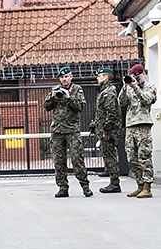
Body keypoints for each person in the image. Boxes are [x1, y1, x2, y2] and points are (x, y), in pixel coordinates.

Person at [43, 66, 91, 198]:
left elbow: (80, 107)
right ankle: (62, 187)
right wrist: (52, 97)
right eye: (62, 77)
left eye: (66, 76)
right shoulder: (54, 89)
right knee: (59, 160)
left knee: (77, 159)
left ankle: (85, 186)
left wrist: (69, 97)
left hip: (72, 130)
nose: (64, 79)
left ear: (71, 77)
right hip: (57, 130)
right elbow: (46, 107)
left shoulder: (77, 89)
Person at [118, 63, 156, 198]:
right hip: (130, 125)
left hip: (143, 125)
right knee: (132, 158)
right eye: (134, 75)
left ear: (143, 74)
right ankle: (139, 185)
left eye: (138, 74)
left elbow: (148, 100)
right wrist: (124, 87)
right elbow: (121, 102)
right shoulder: (128, 88)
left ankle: (147, 187)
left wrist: (136, 88)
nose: (136, 77)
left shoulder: (150, 87)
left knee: (144, 156)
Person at [91, 67, 122, 194]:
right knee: (108, 156)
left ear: (106, 77)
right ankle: (113, 181)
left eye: (100, 76)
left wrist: (106, 131)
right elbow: (102, 114)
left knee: (110, 157)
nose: (97, 78)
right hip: (103, 129)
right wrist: (95, 124)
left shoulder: (108, 92)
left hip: (108, 131)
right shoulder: (103, 91)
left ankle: (115, 184)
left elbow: (111, 113)